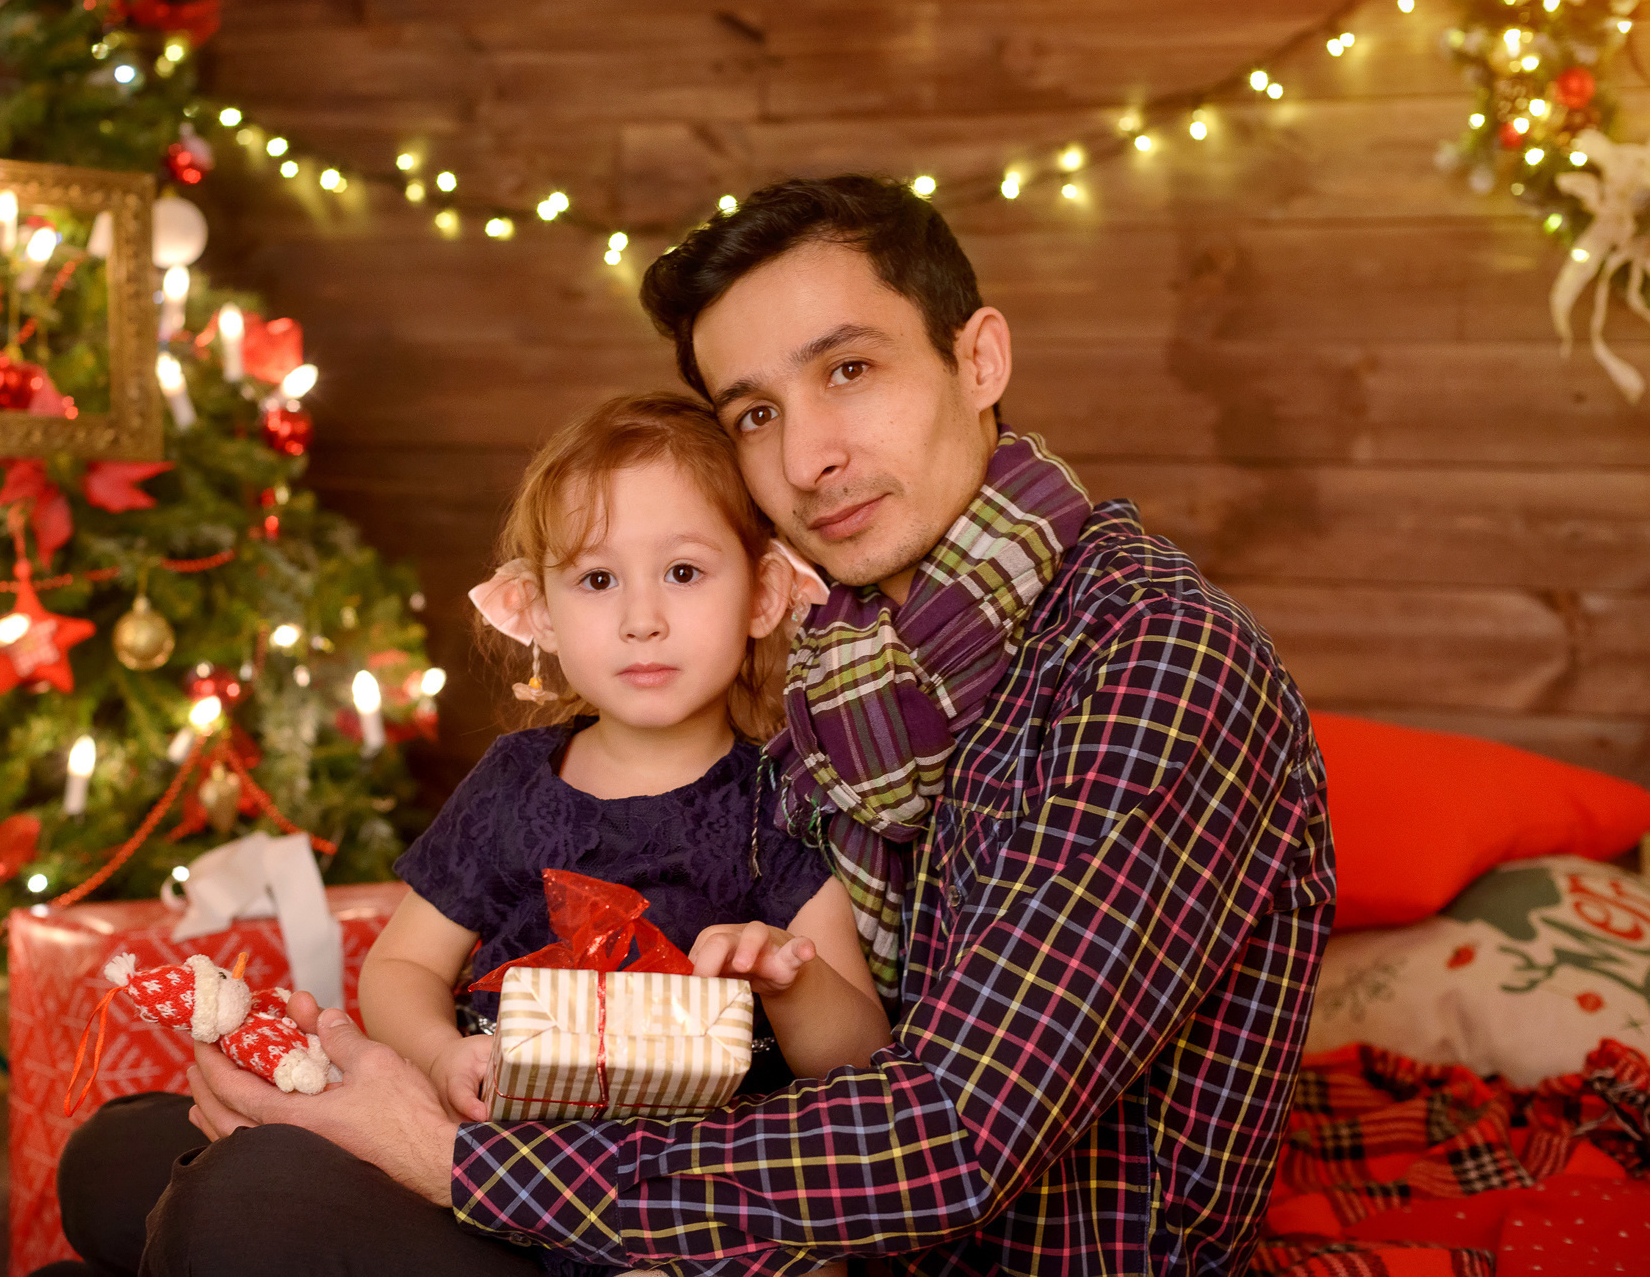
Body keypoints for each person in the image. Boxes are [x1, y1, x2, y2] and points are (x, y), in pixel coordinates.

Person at [66, 174, 1334, 1277]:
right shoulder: (845, 673)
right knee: (122, 1165)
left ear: (978, 358)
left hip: (941, 1250)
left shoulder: (1151, 661)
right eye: (755, 414)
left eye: (849, 369)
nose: (809, 456)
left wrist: (437, 1154)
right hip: (669, 1160)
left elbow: (946, 1140)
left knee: (242, 1207)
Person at [45, 394, 888, 1277]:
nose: (643, 617)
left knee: (234, 1197)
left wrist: (788, 979)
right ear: (542, 613)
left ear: (763, 593)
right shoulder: (520, 781)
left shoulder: (779, 797)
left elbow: (864, 1057)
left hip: (648, 1225)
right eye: (598, 580)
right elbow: (403, 968)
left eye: (683, 572)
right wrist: (443, 1053)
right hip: (462, 1171)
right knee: (109, 1158)